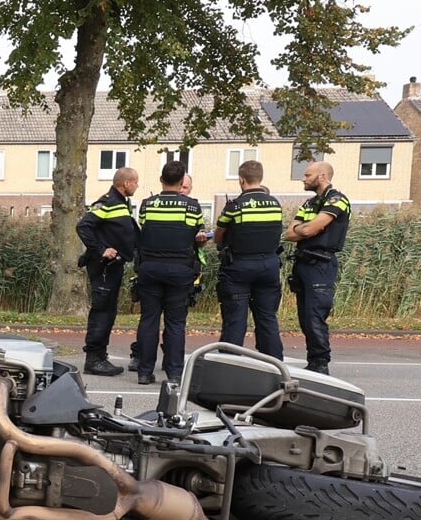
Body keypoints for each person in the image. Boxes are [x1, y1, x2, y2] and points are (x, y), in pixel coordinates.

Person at [131, 161, 207, 385]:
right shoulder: (192, 207)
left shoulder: (148, 205)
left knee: (148, 320)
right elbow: (197, 236)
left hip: (150, 268)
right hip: (180, 270)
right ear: (182, 180)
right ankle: (174, 373)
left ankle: (144, 372)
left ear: (161, 179)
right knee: (175, 322)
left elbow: (145, 231)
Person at [284, 160, 351, 374]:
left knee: (315, 316)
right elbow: (291, 233)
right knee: (304, 317)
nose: (303, 179)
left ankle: (321, 363)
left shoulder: (338, 200)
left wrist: (307, 229)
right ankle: (313, 361)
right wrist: (307, 230)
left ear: (322, 176)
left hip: (321, 263)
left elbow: (310, 229)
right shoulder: (309, 203)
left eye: (307, 175)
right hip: (303, 262)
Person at [215, 160, 286, 358]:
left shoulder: (235, 206)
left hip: (240, 267)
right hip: (269, 267)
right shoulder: (275, 205)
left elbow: (219, 237)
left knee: (236, 319)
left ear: (241, 180)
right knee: (267, 318)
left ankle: (228, 365)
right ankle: (274, 364)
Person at [75, 166, 139, 376]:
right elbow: (83, 226)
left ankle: (100, 356)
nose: (137, 186)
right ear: (126, 183)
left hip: (113, 267)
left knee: (108, 311)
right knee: (102, 312)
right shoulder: (108, 202)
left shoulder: (121, 203)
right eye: (135, 182)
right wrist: (102, 250)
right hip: (103, 267)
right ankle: (93, 359)